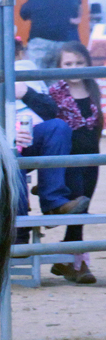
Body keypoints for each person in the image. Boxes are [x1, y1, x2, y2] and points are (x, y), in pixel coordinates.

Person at [0, 16, 89, 220]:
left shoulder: (20, 70)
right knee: (13, 153)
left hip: (19, 142)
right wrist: (9, 134)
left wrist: (26, 93)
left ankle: (54, 202)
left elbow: (51, 111)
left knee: (58, 128)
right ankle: (21, 226)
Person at [47, 42, 101, 284]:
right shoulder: (55, 92)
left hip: (92, 156)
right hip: (69, 157)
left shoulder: (94, 88)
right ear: (59, 67)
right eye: (68, 64)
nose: (75, 68)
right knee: (78, 205)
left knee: (84, 206)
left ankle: (67, 259)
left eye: (79, 63)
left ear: (88, 63)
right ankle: (77, 262)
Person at [21, 0, 80, 69]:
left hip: (40, 42)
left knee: (35, 76)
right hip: (61, 42)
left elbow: (23, 13)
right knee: (58, 78)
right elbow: (74, 14)